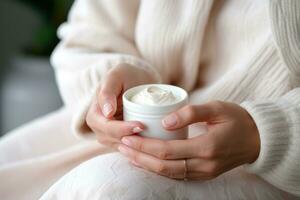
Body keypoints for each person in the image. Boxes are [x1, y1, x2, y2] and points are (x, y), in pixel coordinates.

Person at [0, 0, 299, 199]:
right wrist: (107, 80)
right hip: (115, 137)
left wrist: (268, 134)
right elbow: (89, 29)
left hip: (270, 166)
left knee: (112, 189)